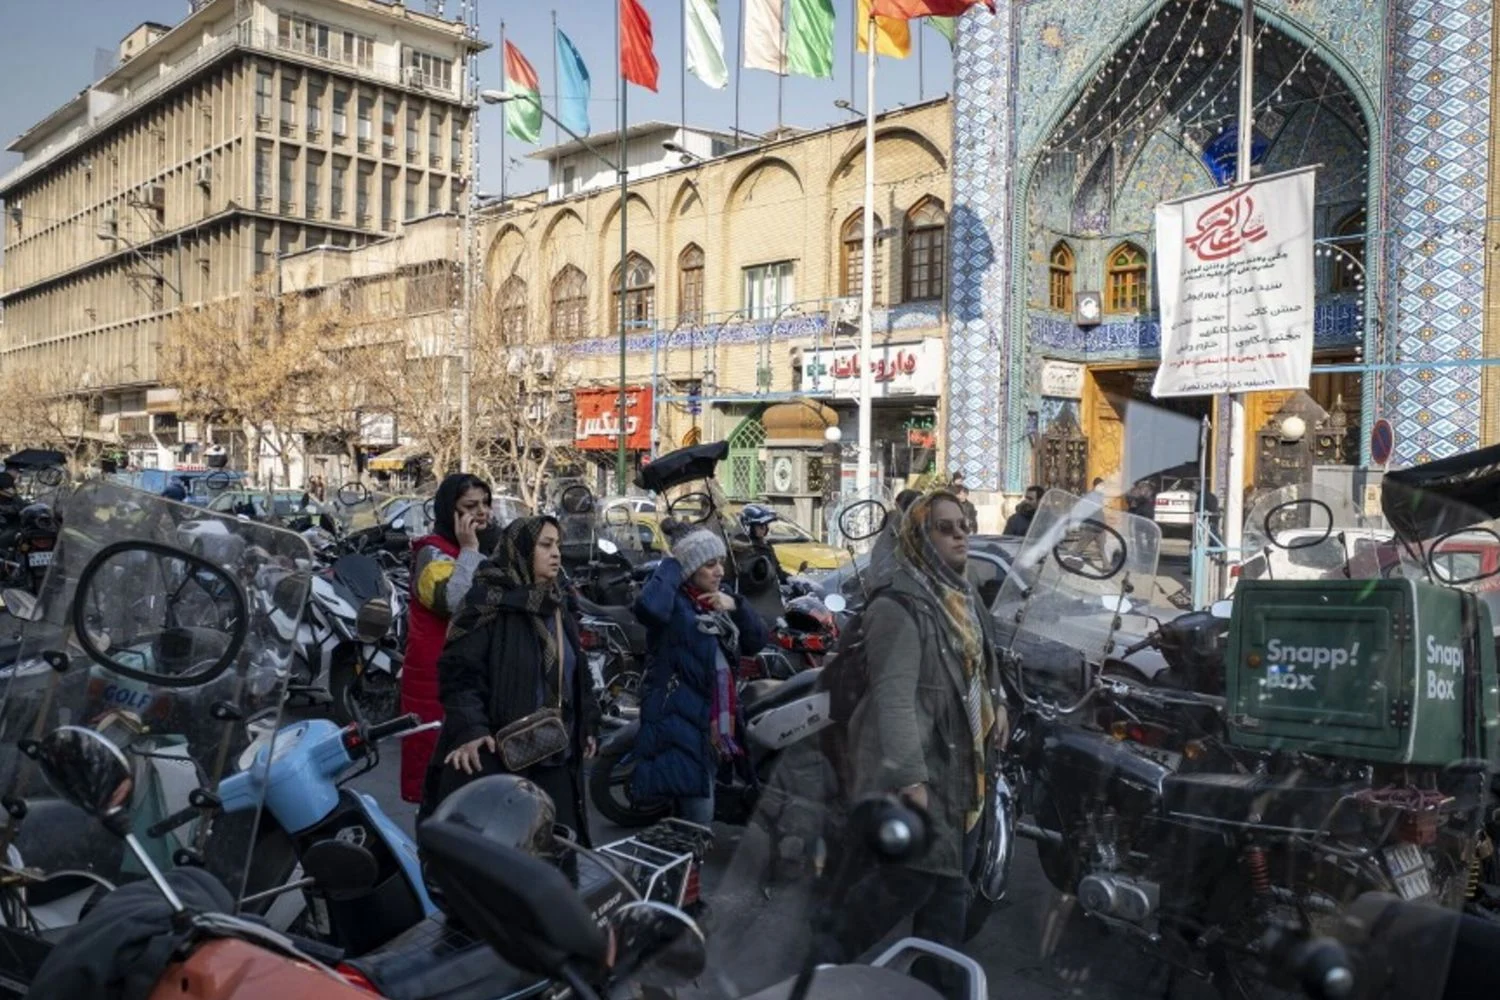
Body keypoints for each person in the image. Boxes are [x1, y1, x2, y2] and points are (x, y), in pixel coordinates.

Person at [831, 490, 1006, 997]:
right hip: (929, 777)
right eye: (945, 527)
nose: (960, 535)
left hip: (965, 774)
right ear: (919, 538)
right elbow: (893, 700)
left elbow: (983, 662)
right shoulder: (899, 605)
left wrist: (1001, 705)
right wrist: (910, 777)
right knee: (908, 889)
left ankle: (931, 984)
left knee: (945, 894)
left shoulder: (964, 595)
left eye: (964, 525)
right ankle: (818, 964)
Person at [422, 516, 599, 841]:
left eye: (557, 544)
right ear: (520, 550)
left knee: (561, 849)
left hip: (555, 752)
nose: (556, 553)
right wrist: (472, 729)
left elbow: (576, 670)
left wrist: (587, 721)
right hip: (501, 758)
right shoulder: (486, 601)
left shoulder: (556, 603)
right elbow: (459, 674)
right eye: (545, 545)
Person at [630, 519, 768, 826]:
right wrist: (673, 563)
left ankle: (680, 873)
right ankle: (676, 874)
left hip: (715, 725)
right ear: (690, 569)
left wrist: (737, 606)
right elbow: (648, 608)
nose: (719, 571)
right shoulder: (675, 606)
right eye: (708, 564)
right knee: (696, 822)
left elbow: (756, 641)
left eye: (720, 562)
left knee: (692, 823)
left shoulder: (717, 603)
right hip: (682, 726)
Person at [399, 473, 498, 806]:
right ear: (450, 512)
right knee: (439, 782)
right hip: (435, 681)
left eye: (485, 504)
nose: (481, 512)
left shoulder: (485, 547)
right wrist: (470, 550)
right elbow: (454, 602)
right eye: (471, 506)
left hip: (470, 674)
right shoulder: (432, 555)